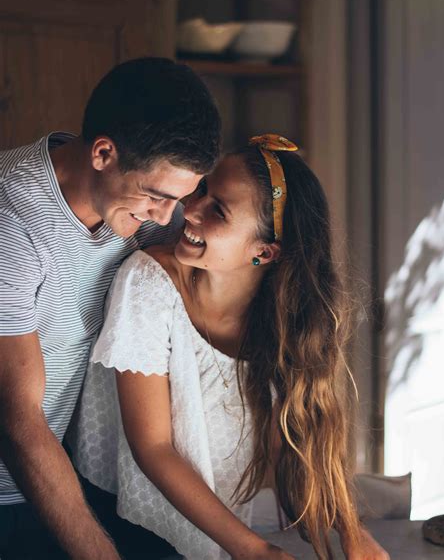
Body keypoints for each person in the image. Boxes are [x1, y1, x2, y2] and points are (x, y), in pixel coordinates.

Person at [71, 134, 390, 560]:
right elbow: (153, 448)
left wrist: (352, 534)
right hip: (123, 525)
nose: (190, 207)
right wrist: (253, 549)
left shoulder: (281, 321)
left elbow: (289, 445)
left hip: (216, 530)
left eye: (217, 209)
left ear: (265, 251)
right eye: (202, 189)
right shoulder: (147, 281)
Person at [0, 57, 221, 560]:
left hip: (54, 476)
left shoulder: (136, 207)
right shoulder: (10, 222)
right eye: (157, 197)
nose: (169, 218)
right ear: (103, 152)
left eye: (179, 199)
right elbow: (19, 422)